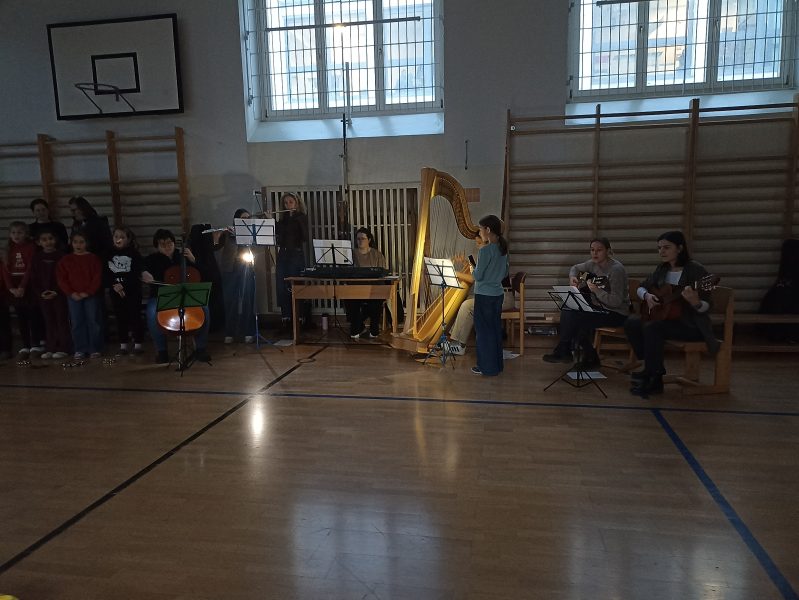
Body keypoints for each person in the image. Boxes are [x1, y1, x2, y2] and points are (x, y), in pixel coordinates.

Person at [624, 230, 719, 397]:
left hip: (690, 326)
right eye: (659, 248)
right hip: (666, 319)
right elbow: (642, 286)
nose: (662, 251)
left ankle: (655, 379)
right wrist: (647, 296)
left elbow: (708, 307)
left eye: (666, 247)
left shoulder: (695, 270)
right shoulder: (662, 269)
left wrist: (695, 302)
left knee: (653, 328)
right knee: (632, 322)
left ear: (680, 248)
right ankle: (650, 367)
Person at [542, 237, 630, 368]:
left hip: (616, 313)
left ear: (608, 251)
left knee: (577, 319)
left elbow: (616, 302)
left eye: (599, 250)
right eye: (592, 250)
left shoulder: (616, 269)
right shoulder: (592, 264)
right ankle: (571, 352)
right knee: (568, 308)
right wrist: (573, 277)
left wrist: (596, 290)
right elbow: (575, 268)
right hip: (599, 306)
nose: (595, 253)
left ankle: (574, 353)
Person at [142, 229, 211, 364]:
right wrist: (143, 272)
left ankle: (201, 348)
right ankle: (162, 351)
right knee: (151, 312)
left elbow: (206, 273)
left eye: (169, 243)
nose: (167, 246)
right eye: (162, 244)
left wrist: (194, 259)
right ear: (157, 246)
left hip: (186, 296)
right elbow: (140, 266)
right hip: (160, 297)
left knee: (205, 308)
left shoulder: (184, 256)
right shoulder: (151, 259)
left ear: (174, 243)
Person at [447, 235, 515, 355]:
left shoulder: (493, 256)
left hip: (504, 297)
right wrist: (465, 263)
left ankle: (459, 345)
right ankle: (455, 339)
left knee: (467, 305)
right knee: (466, 300)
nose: (477, 247)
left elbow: (475, 278)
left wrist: (453, 273)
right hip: (494, 294)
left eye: (479, 244)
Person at [470, 215, 509, 376]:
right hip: (497, 294)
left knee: (483, 333)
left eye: (481, 228)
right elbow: (505, 272)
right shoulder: (502, 248)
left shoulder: (485, 250)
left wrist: (473, 270)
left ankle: (486, 367)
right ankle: (496, 365)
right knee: (494, 330)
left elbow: (478, 276)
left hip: (484, 295)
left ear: (488, 230)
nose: (480, 232)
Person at [56, 232, 104, 359]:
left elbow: (97, 277)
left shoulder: (93, 259)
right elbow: (61, 279)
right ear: (71, 243)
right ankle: (80, 348)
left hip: (90, 296)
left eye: (81, 242)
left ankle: (94, 348)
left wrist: (88, 292)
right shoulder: (66, 260)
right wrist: (71, 293)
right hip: (73, 297)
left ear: (87, 243)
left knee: (93, 321)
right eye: (75, 242)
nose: (78, 245)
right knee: (77, 322)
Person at [3, 221, 44, 356]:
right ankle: (25, 344)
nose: (16, 235)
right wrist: (11, 288)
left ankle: (36, 343)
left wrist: (22, 286)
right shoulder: (8, 249)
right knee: (21, 316)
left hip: (28, 285)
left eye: (20, 232)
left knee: (33, 315)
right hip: (14, 286)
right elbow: (5, 271)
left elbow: (30, 268)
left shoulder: (31, 247)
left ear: (26, 234)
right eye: (13, 232)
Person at [29, 227, 71, 359]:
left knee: (61, 320)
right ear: (38, 242)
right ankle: (51, 348)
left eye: (50, 239)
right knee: (49, 321)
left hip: (59, 295)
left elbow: (65, 276)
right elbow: (33, 278)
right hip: (43, 295)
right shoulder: (37, 258)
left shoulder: (62, 256)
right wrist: (40, 292)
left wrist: (56, 291)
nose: (48, 242)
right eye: (44, 240)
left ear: (56, 240)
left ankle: (63, 347)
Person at [216, 209, 255, 343]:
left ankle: (248, 331)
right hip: (230, 269)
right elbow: (215, 246)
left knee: (247, 300)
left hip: (246, 268)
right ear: (236, 219)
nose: (247, 220)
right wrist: (219, 234)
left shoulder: (252, 231)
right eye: (244, 218)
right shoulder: (228, 233)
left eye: (249, 218)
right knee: (230, 301)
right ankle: (229, 332)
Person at [273, 192, 310, 332]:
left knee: (295, 285)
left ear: (297, 203)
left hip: (296, 254)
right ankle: (286, 318)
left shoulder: (301, 218)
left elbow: (305, 237)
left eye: (291, 202)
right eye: (286, 203)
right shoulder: (283, 220)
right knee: (281, 285)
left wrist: (295, 217)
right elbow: (278, 235)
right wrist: (271, 219)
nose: (288, 205)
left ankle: (299, 318)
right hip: (283, 254)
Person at [105, 227, 145, 355]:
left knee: (135, 317)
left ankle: (138, 344)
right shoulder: (108, 254)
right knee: (120, 317)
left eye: (122, 237)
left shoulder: (134, 254)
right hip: (116, 292)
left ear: (128, 239)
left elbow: (136, 273)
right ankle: (123, 345)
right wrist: (115, 285)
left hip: (132, 291)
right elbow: (106, 273)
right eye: (116, 236)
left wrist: (124, 286)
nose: (118, 239)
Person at [346, 227, 387, 338]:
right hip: (355, 289)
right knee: (350, 300)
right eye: (358, 238)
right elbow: (346, 272)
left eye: (362, 238)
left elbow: (382, 272)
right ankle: (357, 327)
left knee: (376, 301)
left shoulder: (377, 254)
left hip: (373, 288)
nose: (359, 241)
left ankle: (374, 329)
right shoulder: (351, 254)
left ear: (369, 240)